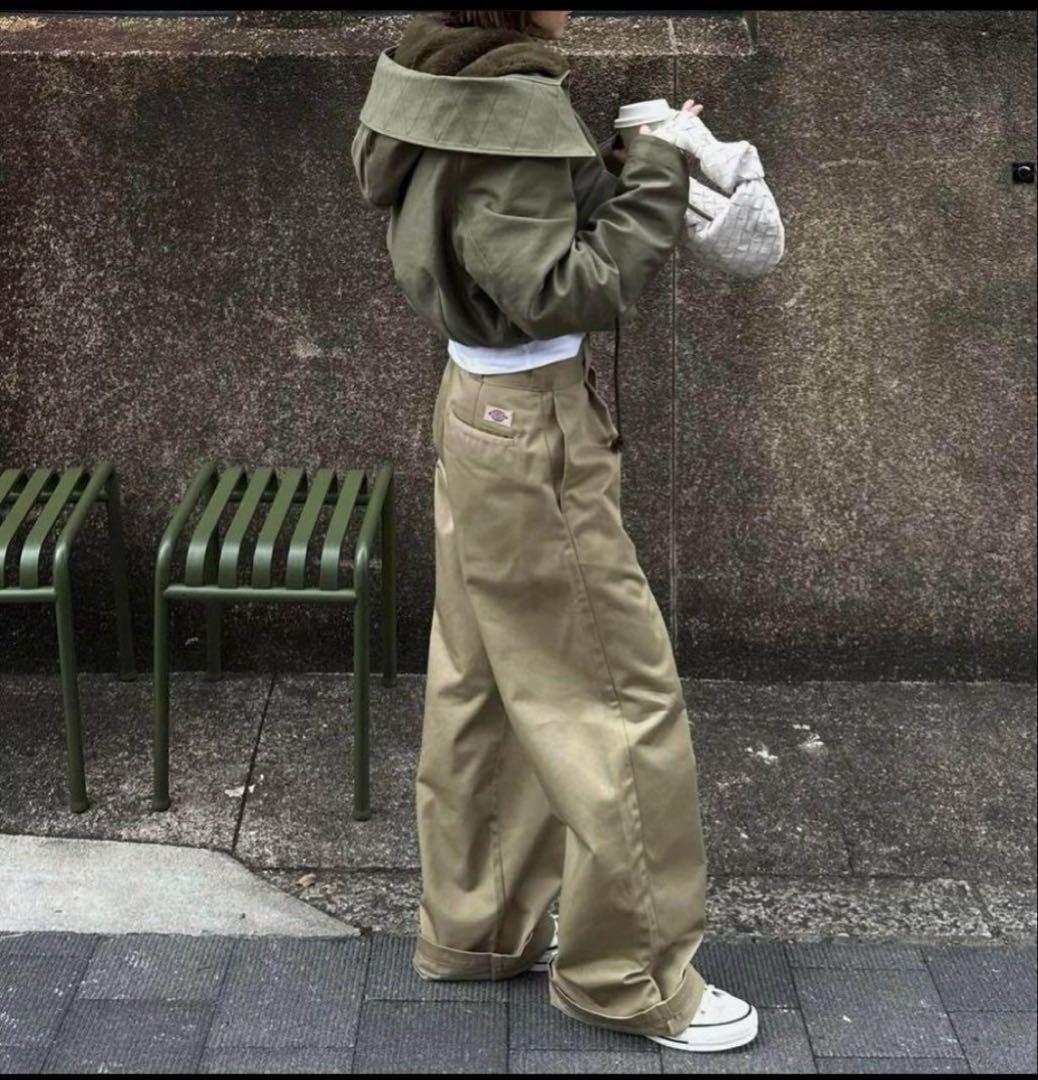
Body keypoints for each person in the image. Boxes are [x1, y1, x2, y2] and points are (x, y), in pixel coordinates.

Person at [351, 9, 759, 1053]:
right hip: (534, 431)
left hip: (474, 413)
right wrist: (657, 170)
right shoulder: (510, 106)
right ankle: (631, 977)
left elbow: (505, 237)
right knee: (618, 702)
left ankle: (477, 928)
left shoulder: (430, 74)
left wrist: (610, 168)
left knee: (482, 683)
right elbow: (567, 288)